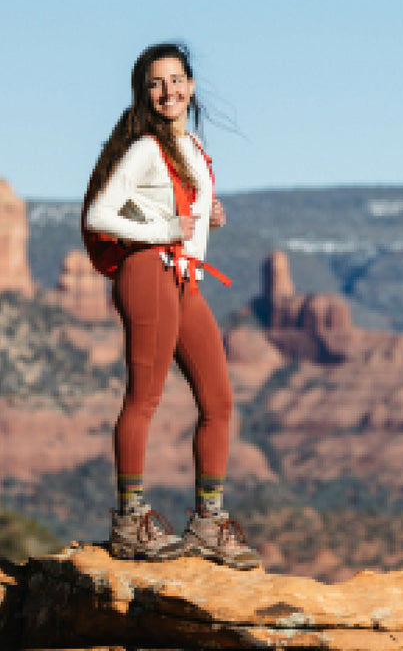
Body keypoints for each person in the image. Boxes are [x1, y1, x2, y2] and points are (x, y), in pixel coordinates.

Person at [82, 42, 260, 570]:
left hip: (184, 281)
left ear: (192, 85)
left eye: (177, 80)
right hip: (148, 274)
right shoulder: (143, 149)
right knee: (145, 398)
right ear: (144, 92)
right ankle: (130, 520)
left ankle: (208, 522)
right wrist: (165, 228)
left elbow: (182, 210)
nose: (169, 91)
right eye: (157, 83)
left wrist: (209, 217)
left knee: (220, 401)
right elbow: (99, 215)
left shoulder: (191, 146)